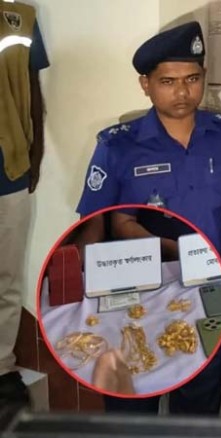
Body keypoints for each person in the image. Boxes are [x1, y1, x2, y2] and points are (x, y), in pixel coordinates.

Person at [76, 21, 221, 414]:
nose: (182, 92)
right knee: (133, 409)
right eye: (168, 81)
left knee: (200, 407)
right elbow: (92, 224)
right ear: (145, 84)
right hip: (137, 297)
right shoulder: (118, 145)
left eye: (192, 79)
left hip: (208, 292)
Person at [0, 1, 48, 407]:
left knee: (8, 276)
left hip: (9, 168)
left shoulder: (20, 18)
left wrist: (37, 152)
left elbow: (32, 84)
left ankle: (2, 366)